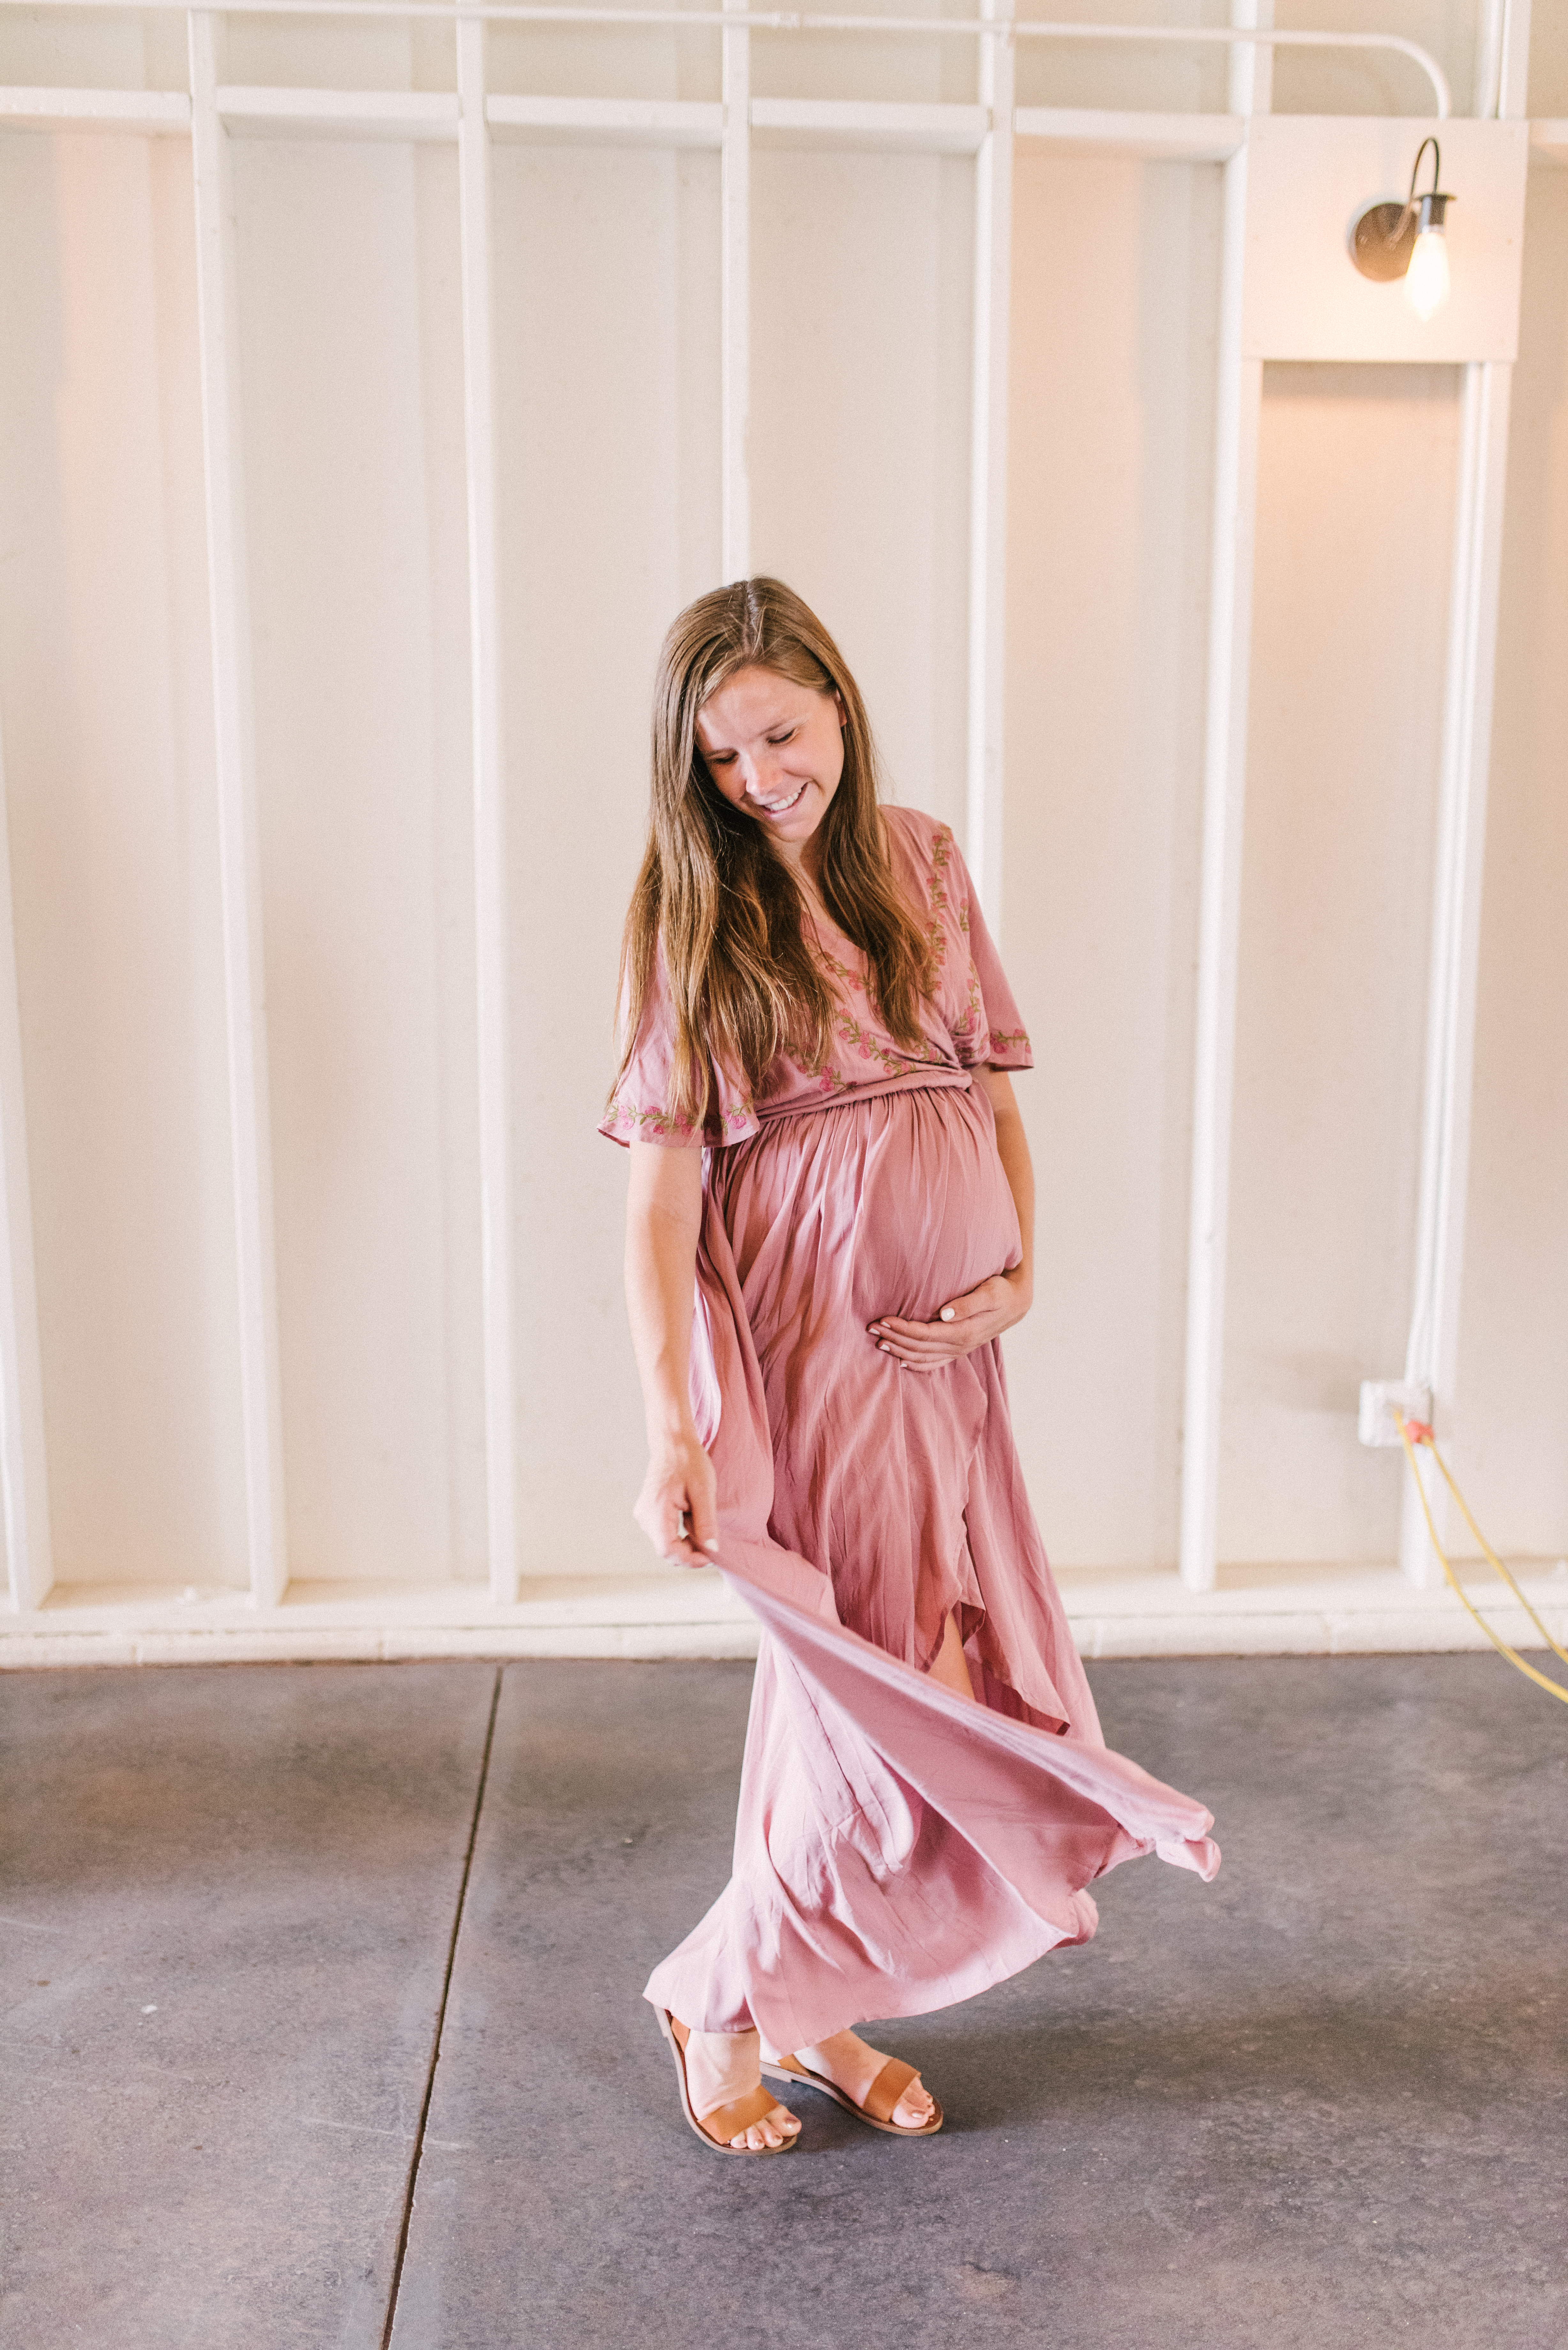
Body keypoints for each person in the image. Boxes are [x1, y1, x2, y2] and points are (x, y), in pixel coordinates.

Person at [602, 578, 1218, 2157]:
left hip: (947, 1350)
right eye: (723, 755)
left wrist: (1018, 1263)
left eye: (782, 734)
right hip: (817, 1340)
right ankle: (723, 1991)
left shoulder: (921, 858)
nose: (759, 778)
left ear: (841, 707)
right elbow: (661, 1196)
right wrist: (673, 1426)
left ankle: (798, 1999)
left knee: (907, 1650)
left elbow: (988, 1088)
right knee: (871, 1676)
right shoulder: (690, 913)